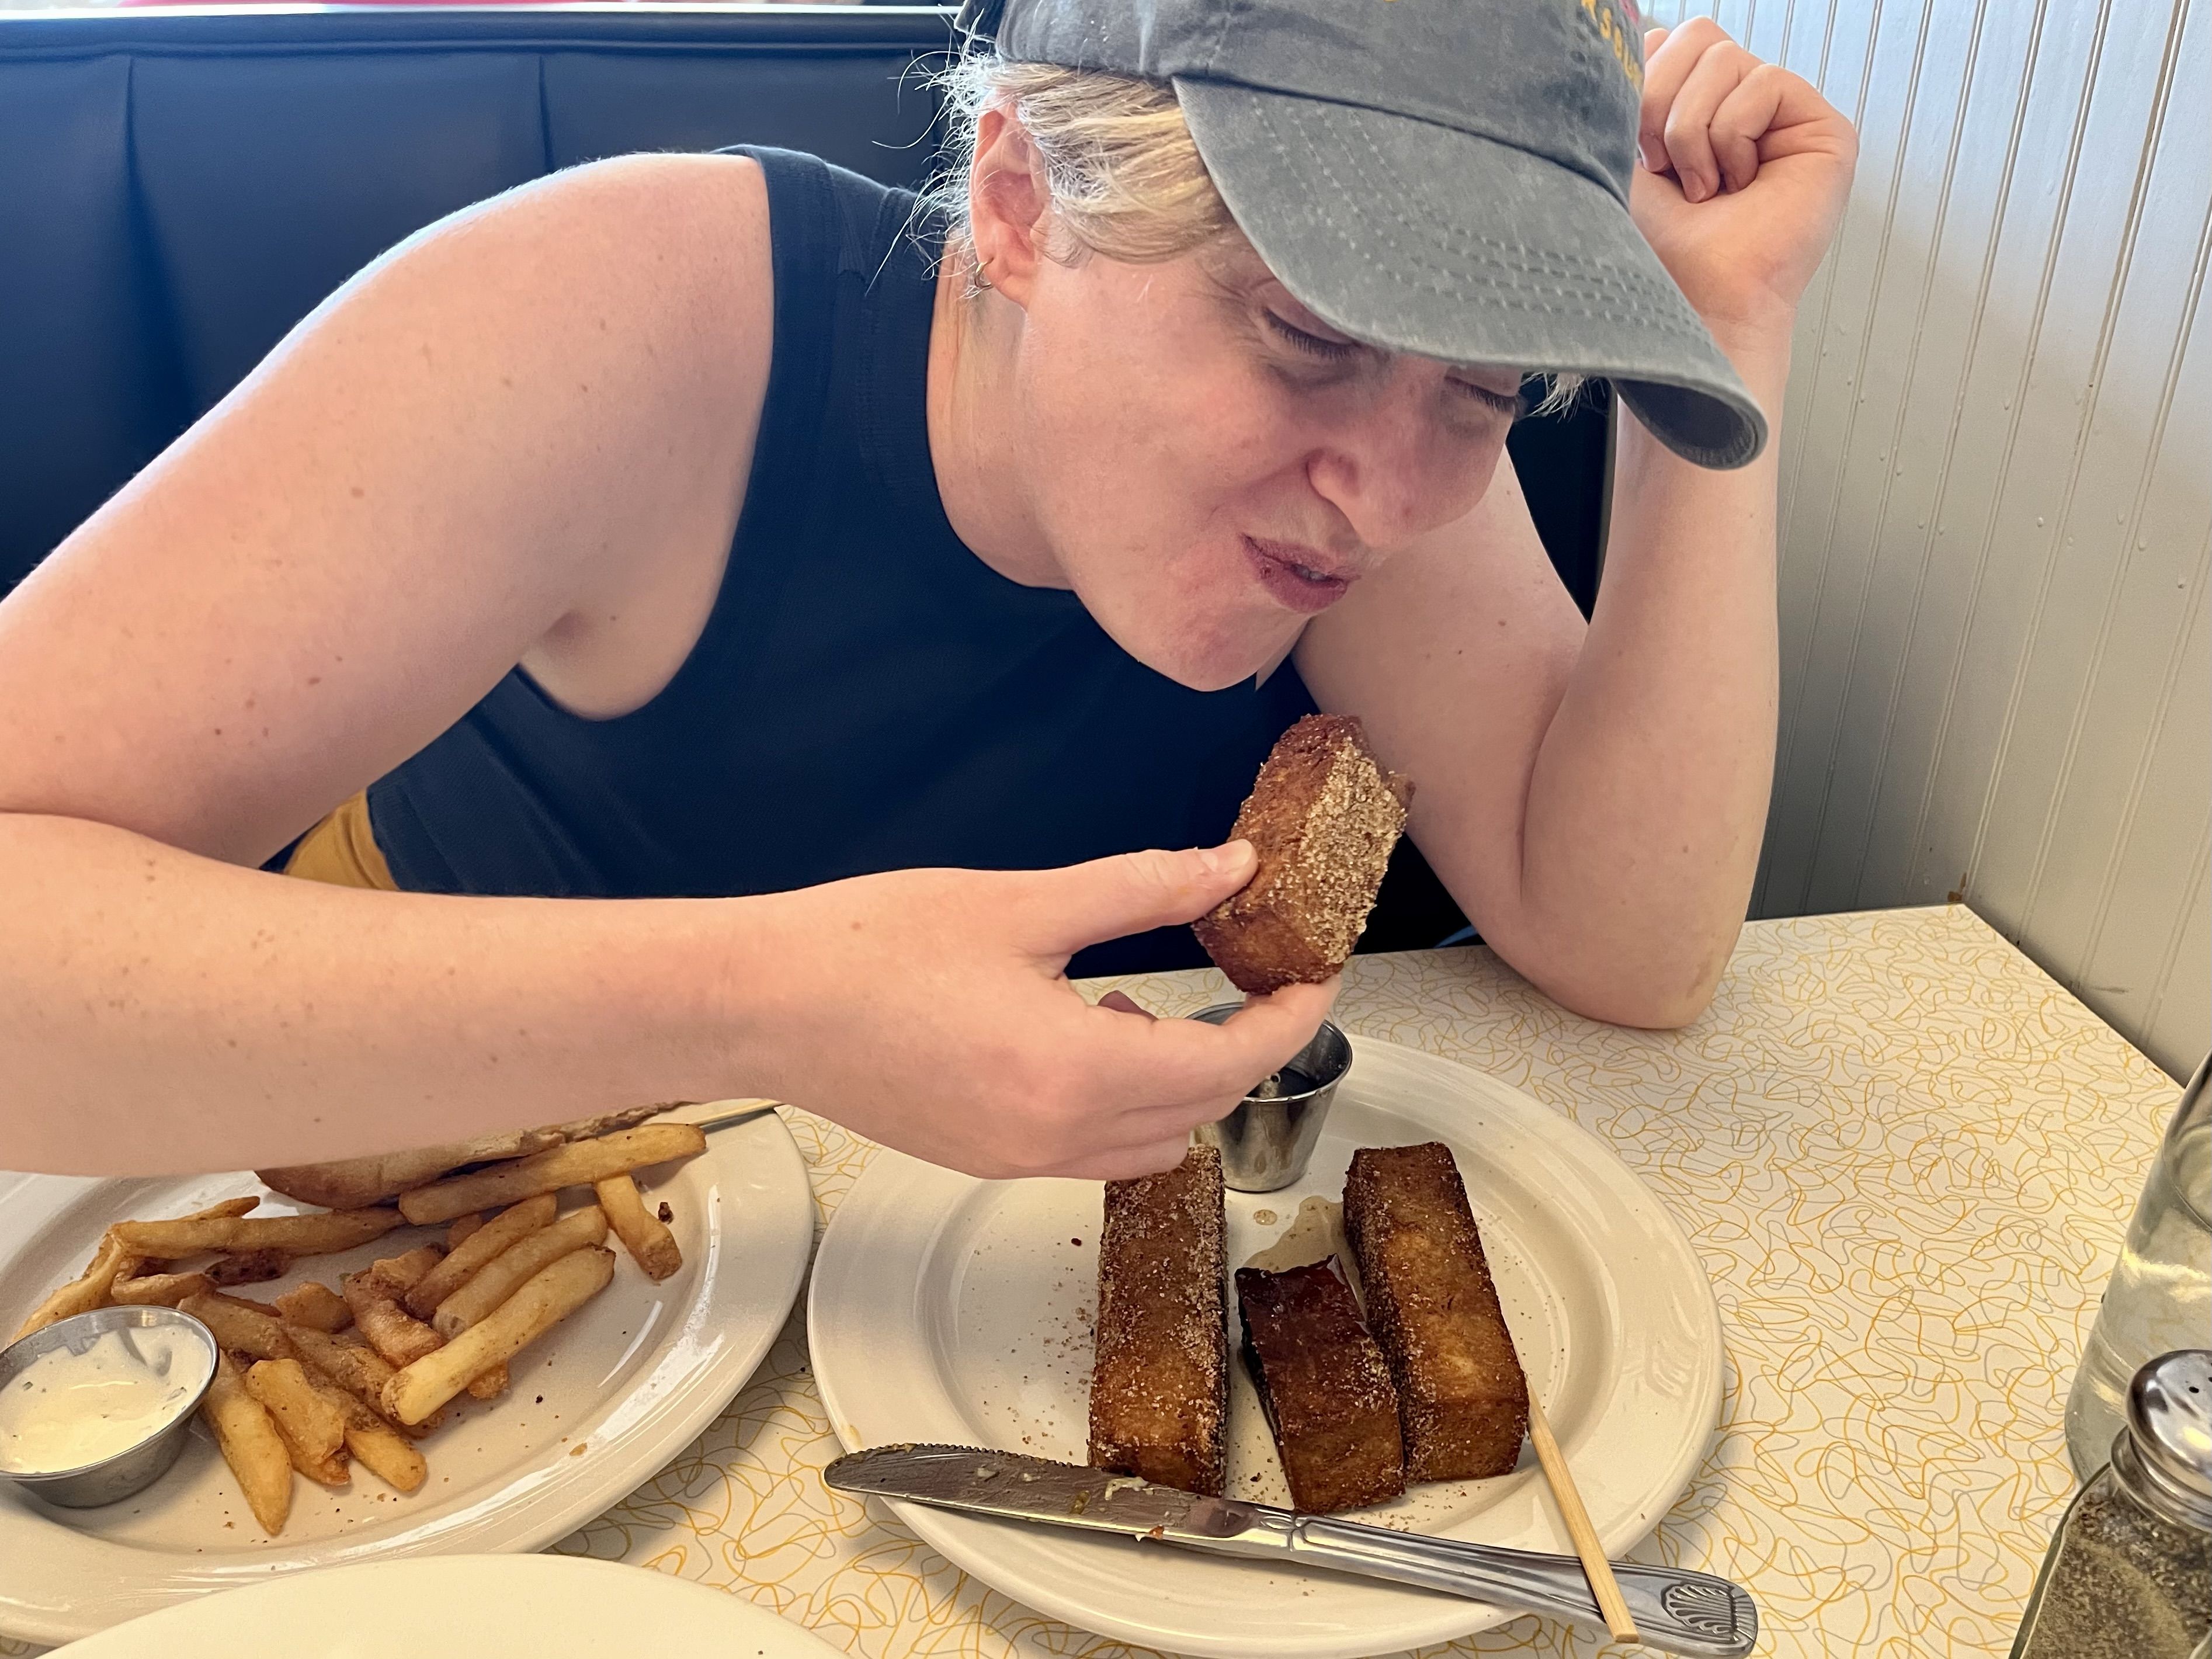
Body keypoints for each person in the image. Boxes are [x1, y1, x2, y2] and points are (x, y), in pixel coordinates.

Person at [0, 0, 1855, 1182]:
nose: (1387, 496)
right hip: (389, 1180)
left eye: (1484, 387)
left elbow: (1629, 945)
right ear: (1024, 202)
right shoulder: (620, 307)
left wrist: (1728, 334)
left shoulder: (1378, 467)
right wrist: (764, 1001)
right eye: (1301, 327)